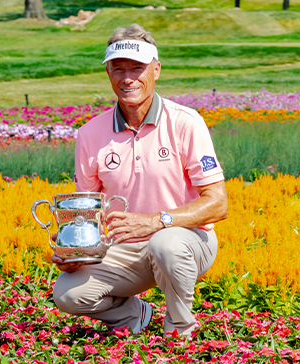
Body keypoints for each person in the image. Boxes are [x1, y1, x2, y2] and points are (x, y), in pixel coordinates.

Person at [52, 23, 228, 337]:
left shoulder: (186, 123)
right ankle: (134, 315)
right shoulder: (90, 134)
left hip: (186, 242)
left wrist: (157, 221)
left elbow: (218, 204)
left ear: (156, 70)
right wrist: (75, 253)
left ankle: (179, 331)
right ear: (108, 73)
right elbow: (87, 216)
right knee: (67, 292)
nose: (127, 78)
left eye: (138, 68)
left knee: (166, 242)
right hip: (125, 250)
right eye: (118, 68)